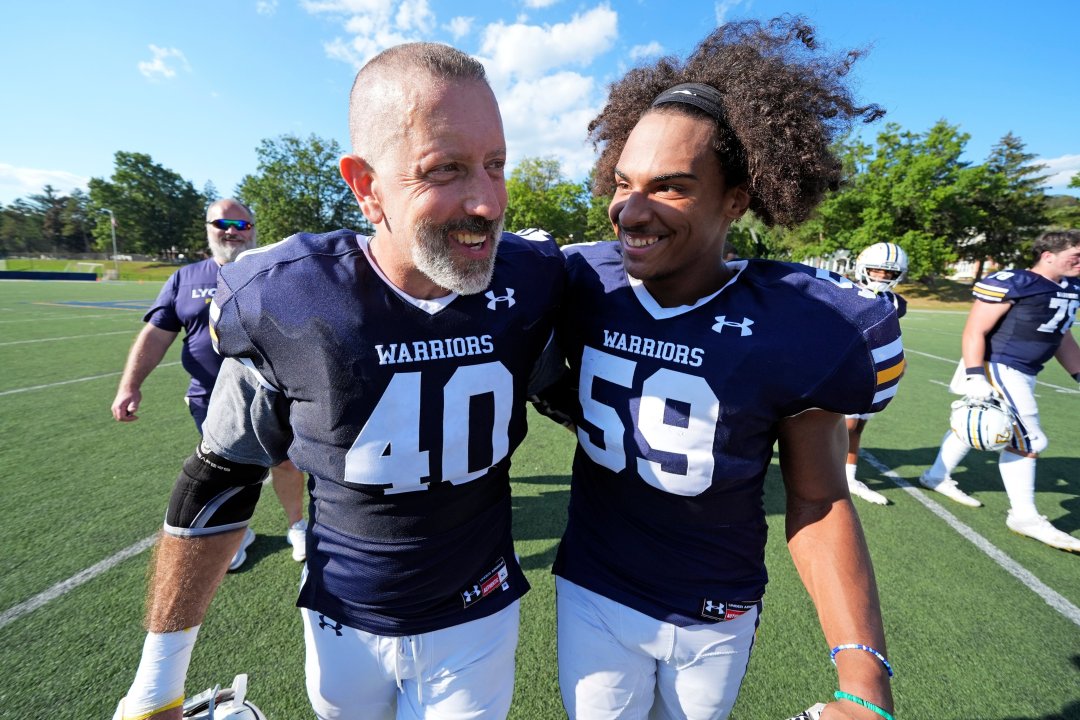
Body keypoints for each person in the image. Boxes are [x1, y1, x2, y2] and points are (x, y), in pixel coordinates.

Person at [113, 42, 565, 720]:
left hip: (478, 614)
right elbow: (221, 477)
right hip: (341, 621)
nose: (485, 200)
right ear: (365, 184)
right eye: (445, 169)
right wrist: (156, 685)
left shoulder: (534, 279)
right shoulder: (290, 297)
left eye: (496, 164)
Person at [546, 18, 901, 720]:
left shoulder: (802, 324)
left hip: (713, 606)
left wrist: (864, 677)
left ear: (735, 199)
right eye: (623, 182)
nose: (631, 210)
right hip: (592, 585)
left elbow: (819, 497)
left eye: (671, 187)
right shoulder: (577, 279)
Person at [110, 198, 307, 569]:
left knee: (286, 464)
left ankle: (297, 525)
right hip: (212, 399)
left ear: (253, 230)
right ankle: (239, 532)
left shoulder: (277, 271)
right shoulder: (184, 279)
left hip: (275, 395)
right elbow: (156, 335)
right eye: (223, 224)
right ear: (208, 228)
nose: (232, 231)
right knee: (227, 470)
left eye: (242, 224)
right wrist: (129, 385)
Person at [920, 229, 1080, 552]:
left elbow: (1061, 335)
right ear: (1048, 255)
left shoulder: (1072, 287)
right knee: (1029, 439)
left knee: (973, 428)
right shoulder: (1015, 282)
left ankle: (935, 475)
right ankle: (1024, 516)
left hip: (1026, 370)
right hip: (999, 366)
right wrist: (975, 374)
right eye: (1075, 256)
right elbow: (975, 329)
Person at [844, 242, 909, 506]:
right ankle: (822, 473)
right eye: (876, 270)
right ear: (862, 267)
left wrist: (899, 360)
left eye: (888, 273)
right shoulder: (844, 290)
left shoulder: (895, 302)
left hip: (874, 367)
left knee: (858, 425)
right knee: (844, 424)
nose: (881, 276)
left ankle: (848, 476)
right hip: (845, 363)